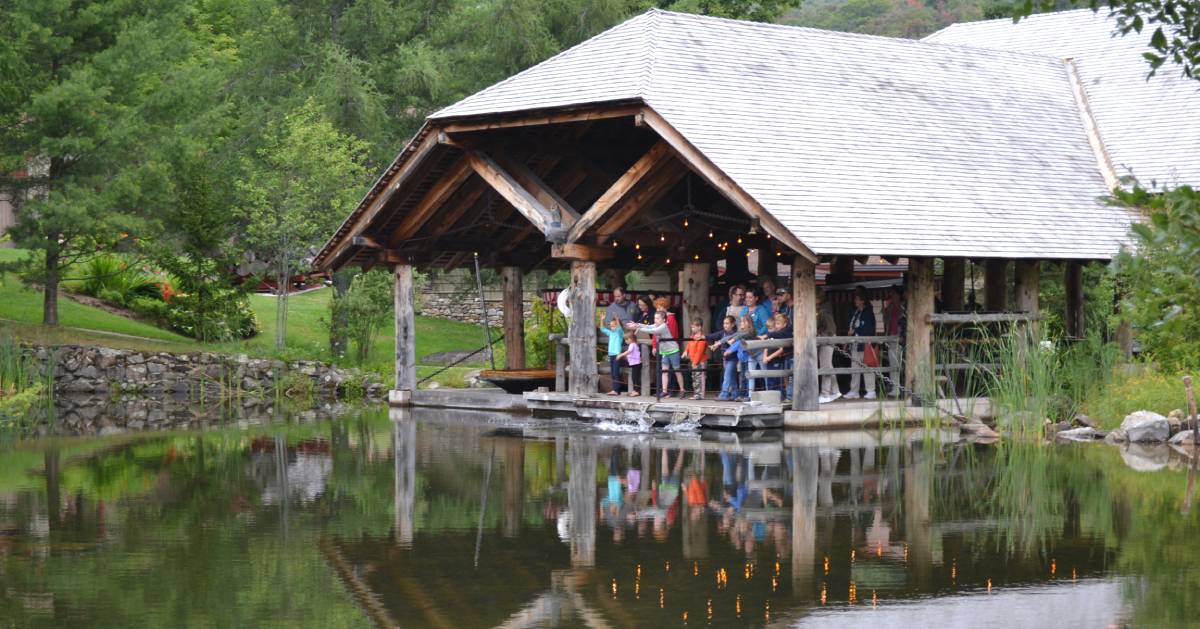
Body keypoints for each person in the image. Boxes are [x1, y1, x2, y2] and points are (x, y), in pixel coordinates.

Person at [627, 310, 685, 398]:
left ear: (664, 320)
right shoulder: (657, 325)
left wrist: (637, 328)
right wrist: (637, 324)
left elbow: (653, 331)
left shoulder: (663, 326)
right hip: (665, 352)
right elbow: (648, 326)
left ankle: (682, 390)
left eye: (657, 318)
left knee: (677, 371)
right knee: (664, 371)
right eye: (655, 318)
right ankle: (664, 391)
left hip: (673, 350)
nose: (655, 320)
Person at [846, 286, 877, 400]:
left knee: (867, 367)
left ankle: (871, 390)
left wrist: (855, 331)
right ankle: (854, 391)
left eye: (857, 298)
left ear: (862, 300)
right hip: (855, 344)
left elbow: (868, 329)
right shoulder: (857, 312)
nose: (855, 301)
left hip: (865, 345)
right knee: (854, 368)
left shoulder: (868, 312)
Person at [816, 287, 841, 404]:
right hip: (824, 337)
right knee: (828, 365)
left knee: (825, 366)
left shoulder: (824, 309)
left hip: (827, 338)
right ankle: (835, 390)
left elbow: (830, 328)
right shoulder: (821, 308)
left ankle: (825, 393)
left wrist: (821, 334)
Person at [881, 285, 905, 397]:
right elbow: (885, 321)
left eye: (894, 294)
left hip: (900, 339)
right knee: (892, 363)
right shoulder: (891, 307)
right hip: (891, 337)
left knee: (897, 364)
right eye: (891, 294)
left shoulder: (903, 307)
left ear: (899, 295)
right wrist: (886, 309)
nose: (892, 296)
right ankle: (894, 387)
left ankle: (898, 388)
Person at [711, 316, 741, 401]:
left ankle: (724, 394)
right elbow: (714, 336)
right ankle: (735, 394)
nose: (725, 325)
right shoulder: (723, 333)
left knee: (727, 376)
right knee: (731, 376)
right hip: (725, 358)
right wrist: (705, 337)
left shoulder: (735, 333)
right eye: (724, 323)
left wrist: (721, 342)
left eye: (727, 323)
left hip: (732, 358)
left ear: (733, 324)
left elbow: (732, 344)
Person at [764, 312, 792, 397]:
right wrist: (766, 356)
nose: (776, 326)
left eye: (778, 324)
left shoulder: (785, 332)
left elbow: (781, 348)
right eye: (775, 324)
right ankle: (780, 396)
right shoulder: (778, 333)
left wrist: (769, 357)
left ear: (785, 324)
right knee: (783, 378)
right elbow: (766, 345)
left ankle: (786, 396)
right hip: (782, 358)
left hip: (784, 358)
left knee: (785, 378)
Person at [684, 320, 710, 400]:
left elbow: (699, 351)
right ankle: (696, 393)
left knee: (700, 378)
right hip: (693, 361)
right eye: (692, 327)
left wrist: (695, 362)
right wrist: (686, 351)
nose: (692, 329)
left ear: (699, 327)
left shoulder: (702, 337)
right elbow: (689, 344)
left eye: (694, 327)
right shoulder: (692, 336)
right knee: (694, 377)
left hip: (700, 361)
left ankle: (700, 394)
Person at [601, 317, 625, 395]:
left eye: (613, 326)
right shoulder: (610, 333)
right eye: (611, 326)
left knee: (616, 372)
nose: (612, 327)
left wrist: (617, 321)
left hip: (617, 355)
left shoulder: (619, 333)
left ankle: (616, 390)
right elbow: (602, 329)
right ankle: (615, 389)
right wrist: (602, 320)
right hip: (611, 355)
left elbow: (620, 328)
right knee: (613, 373)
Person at [617, 330, 641, 397]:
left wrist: (621, 355)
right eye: (625, 339)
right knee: (634, 377)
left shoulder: (632, 345)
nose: (626, 341)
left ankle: (637, 391)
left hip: (636, 363)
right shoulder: (634, 344)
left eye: (627, 339)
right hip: (635, 364)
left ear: (631, 339)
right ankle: (635, 390)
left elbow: (629, 351)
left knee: (635, 378)